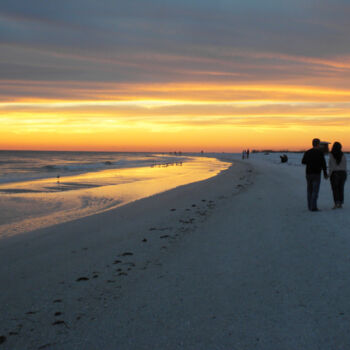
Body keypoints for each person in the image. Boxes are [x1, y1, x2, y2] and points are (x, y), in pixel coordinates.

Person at [302, 138, 328, 211]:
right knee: (315, 191)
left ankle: (310, 206)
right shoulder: (320, 153)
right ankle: (313, 207)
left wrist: (310, 162)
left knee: (309, 190)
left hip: (308, 173)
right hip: (316, 173)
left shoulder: (307, 152)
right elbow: (323, 164)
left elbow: (303, 162)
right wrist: (325, 173)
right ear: (318, 144)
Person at [328, 142, 347, 209]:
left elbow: (331, 166)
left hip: (335, 173)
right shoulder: (343, 155)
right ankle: (340, 203)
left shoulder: (331, 154)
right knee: (341, 188)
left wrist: (329, 175)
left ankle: (336, 203)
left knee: (335, 189)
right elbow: (345, 165)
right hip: (343, 173)